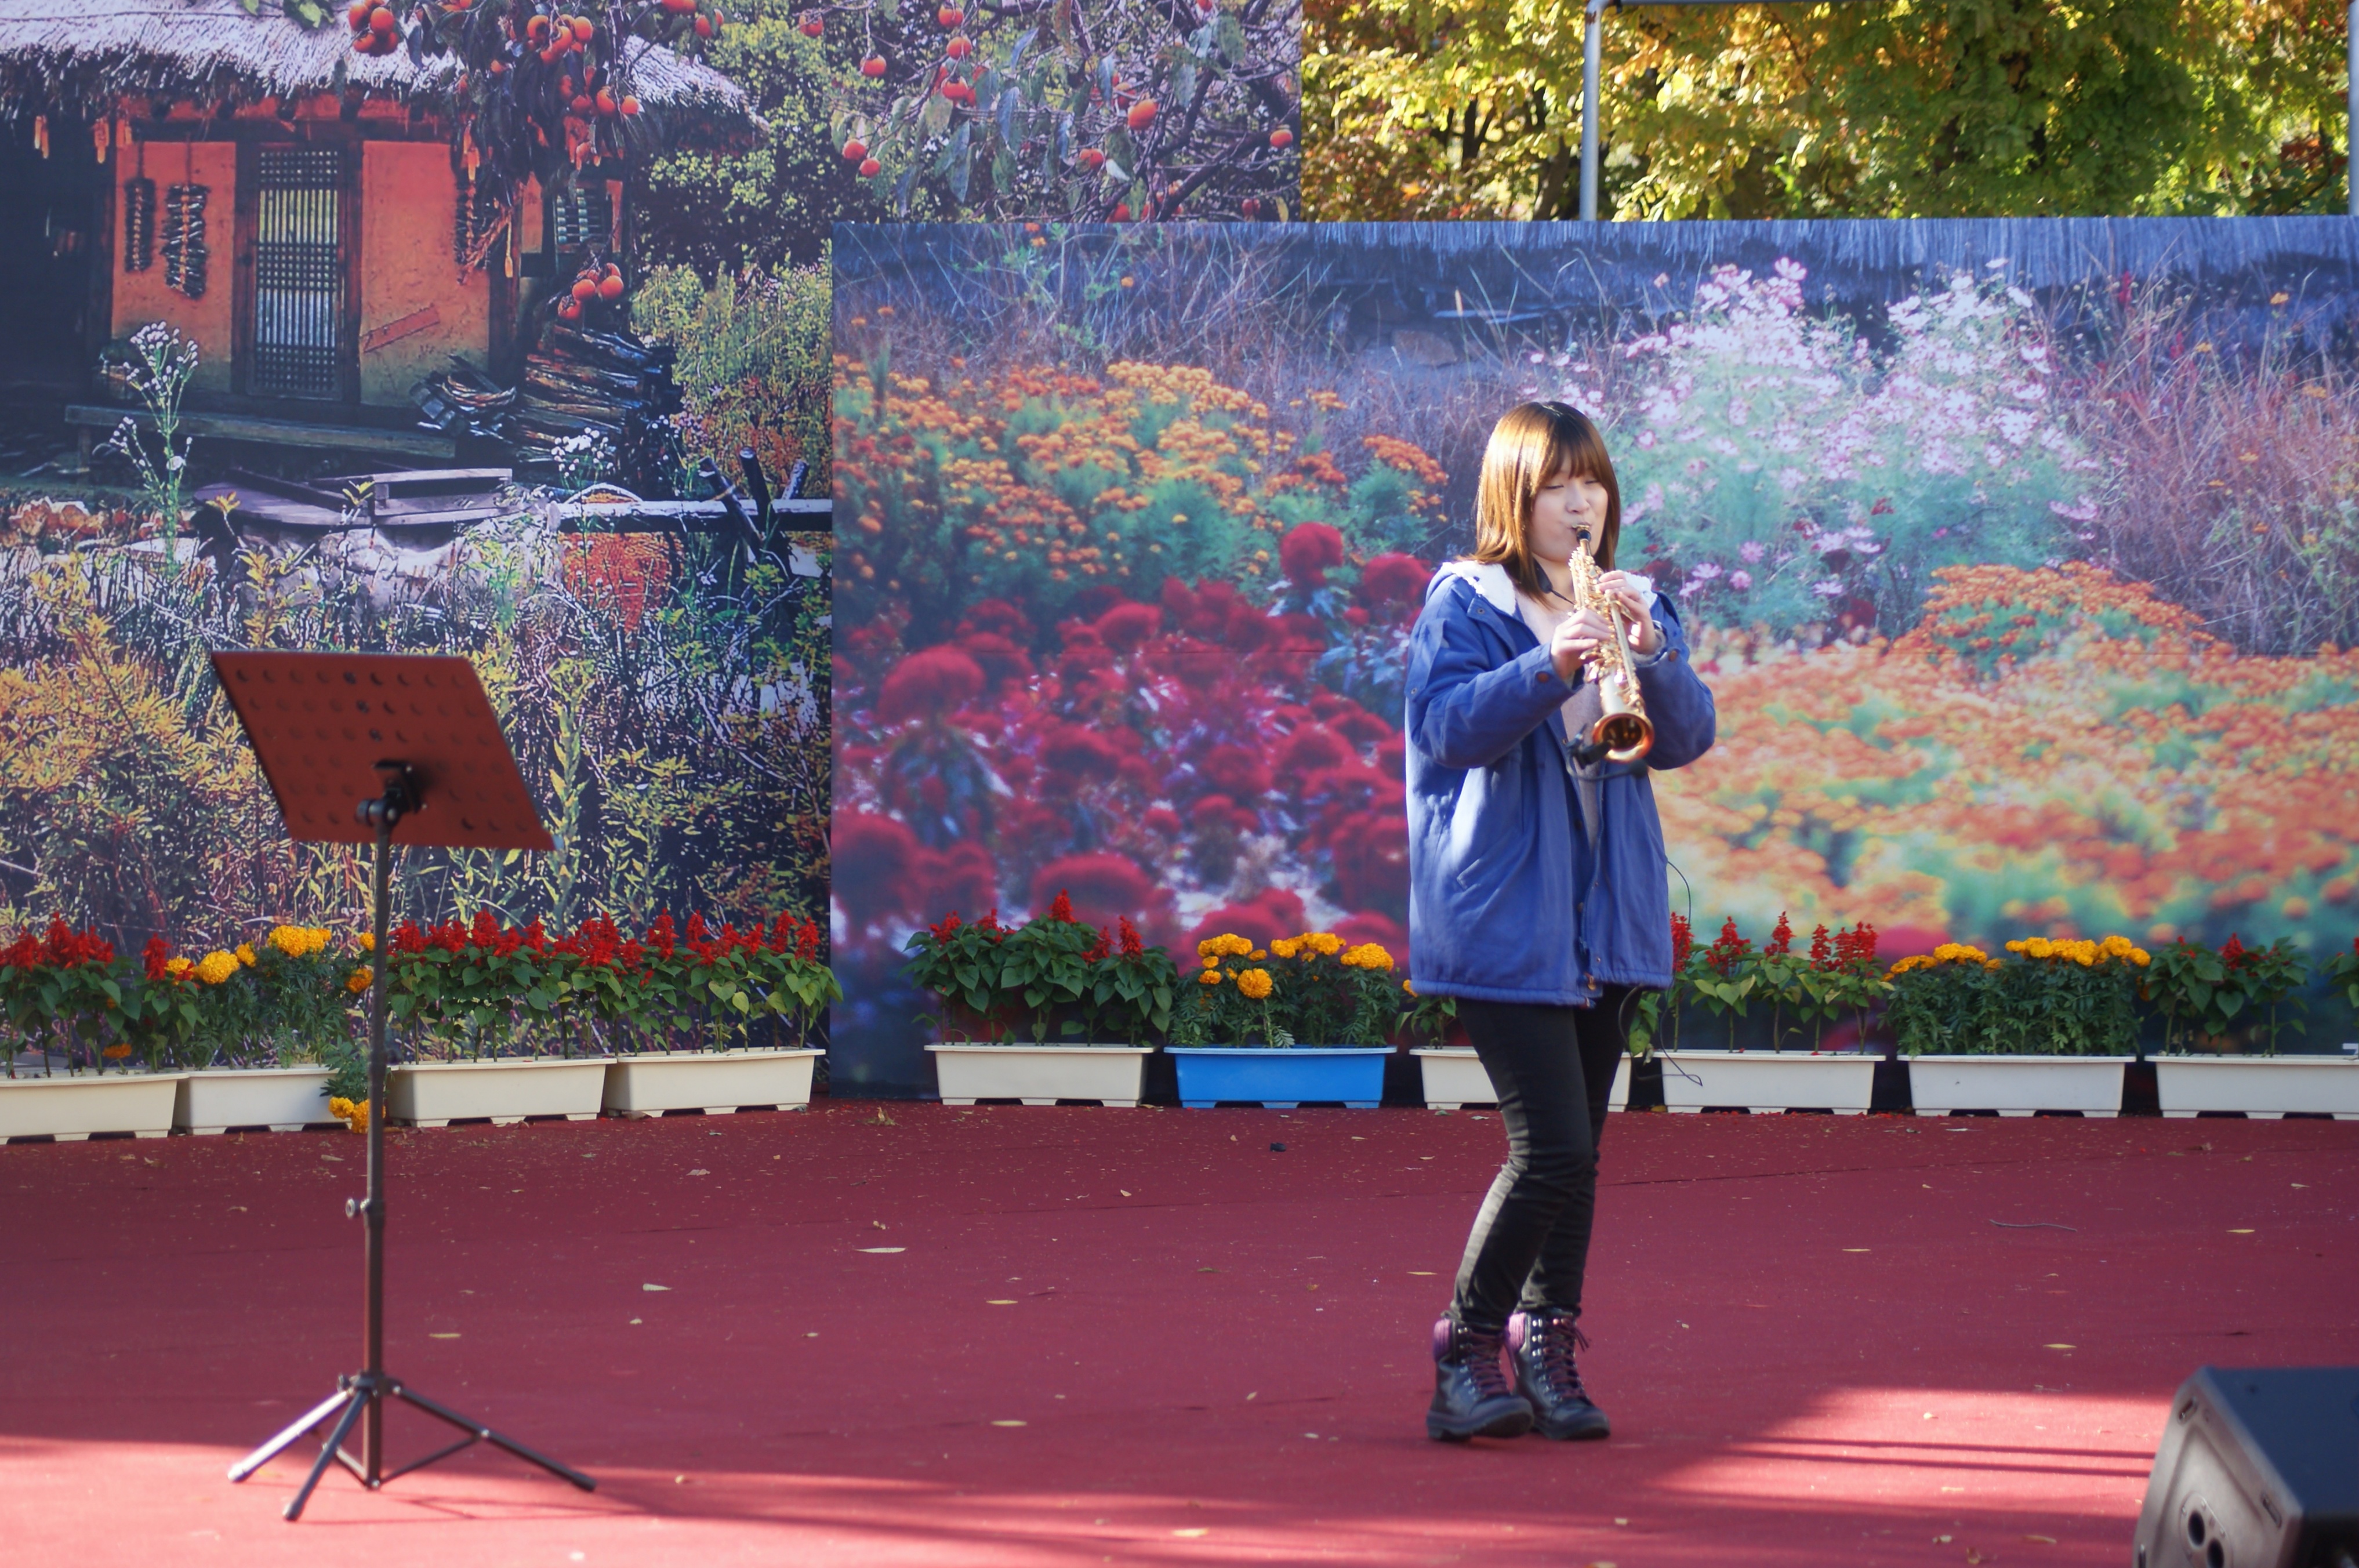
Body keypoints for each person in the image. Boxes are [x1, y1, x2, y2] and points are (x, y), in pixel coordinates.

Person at [1403, 401, 1717, 1442]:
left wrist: (1651, 649)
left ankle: (1546, 1344)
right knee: (1550, 1149)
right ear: (1515, 497)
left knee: (1579, 1157)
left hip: (1604, 916)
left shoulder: (1636, 601)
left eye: (1594, 485)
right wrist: (1551, 664)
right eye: (1558, 487)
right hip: (1504, 914)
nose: (1582, 505)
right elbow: (1445, 729)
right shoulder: (1468, 601)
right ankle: (1465, 1347)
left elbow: (1686, 739)